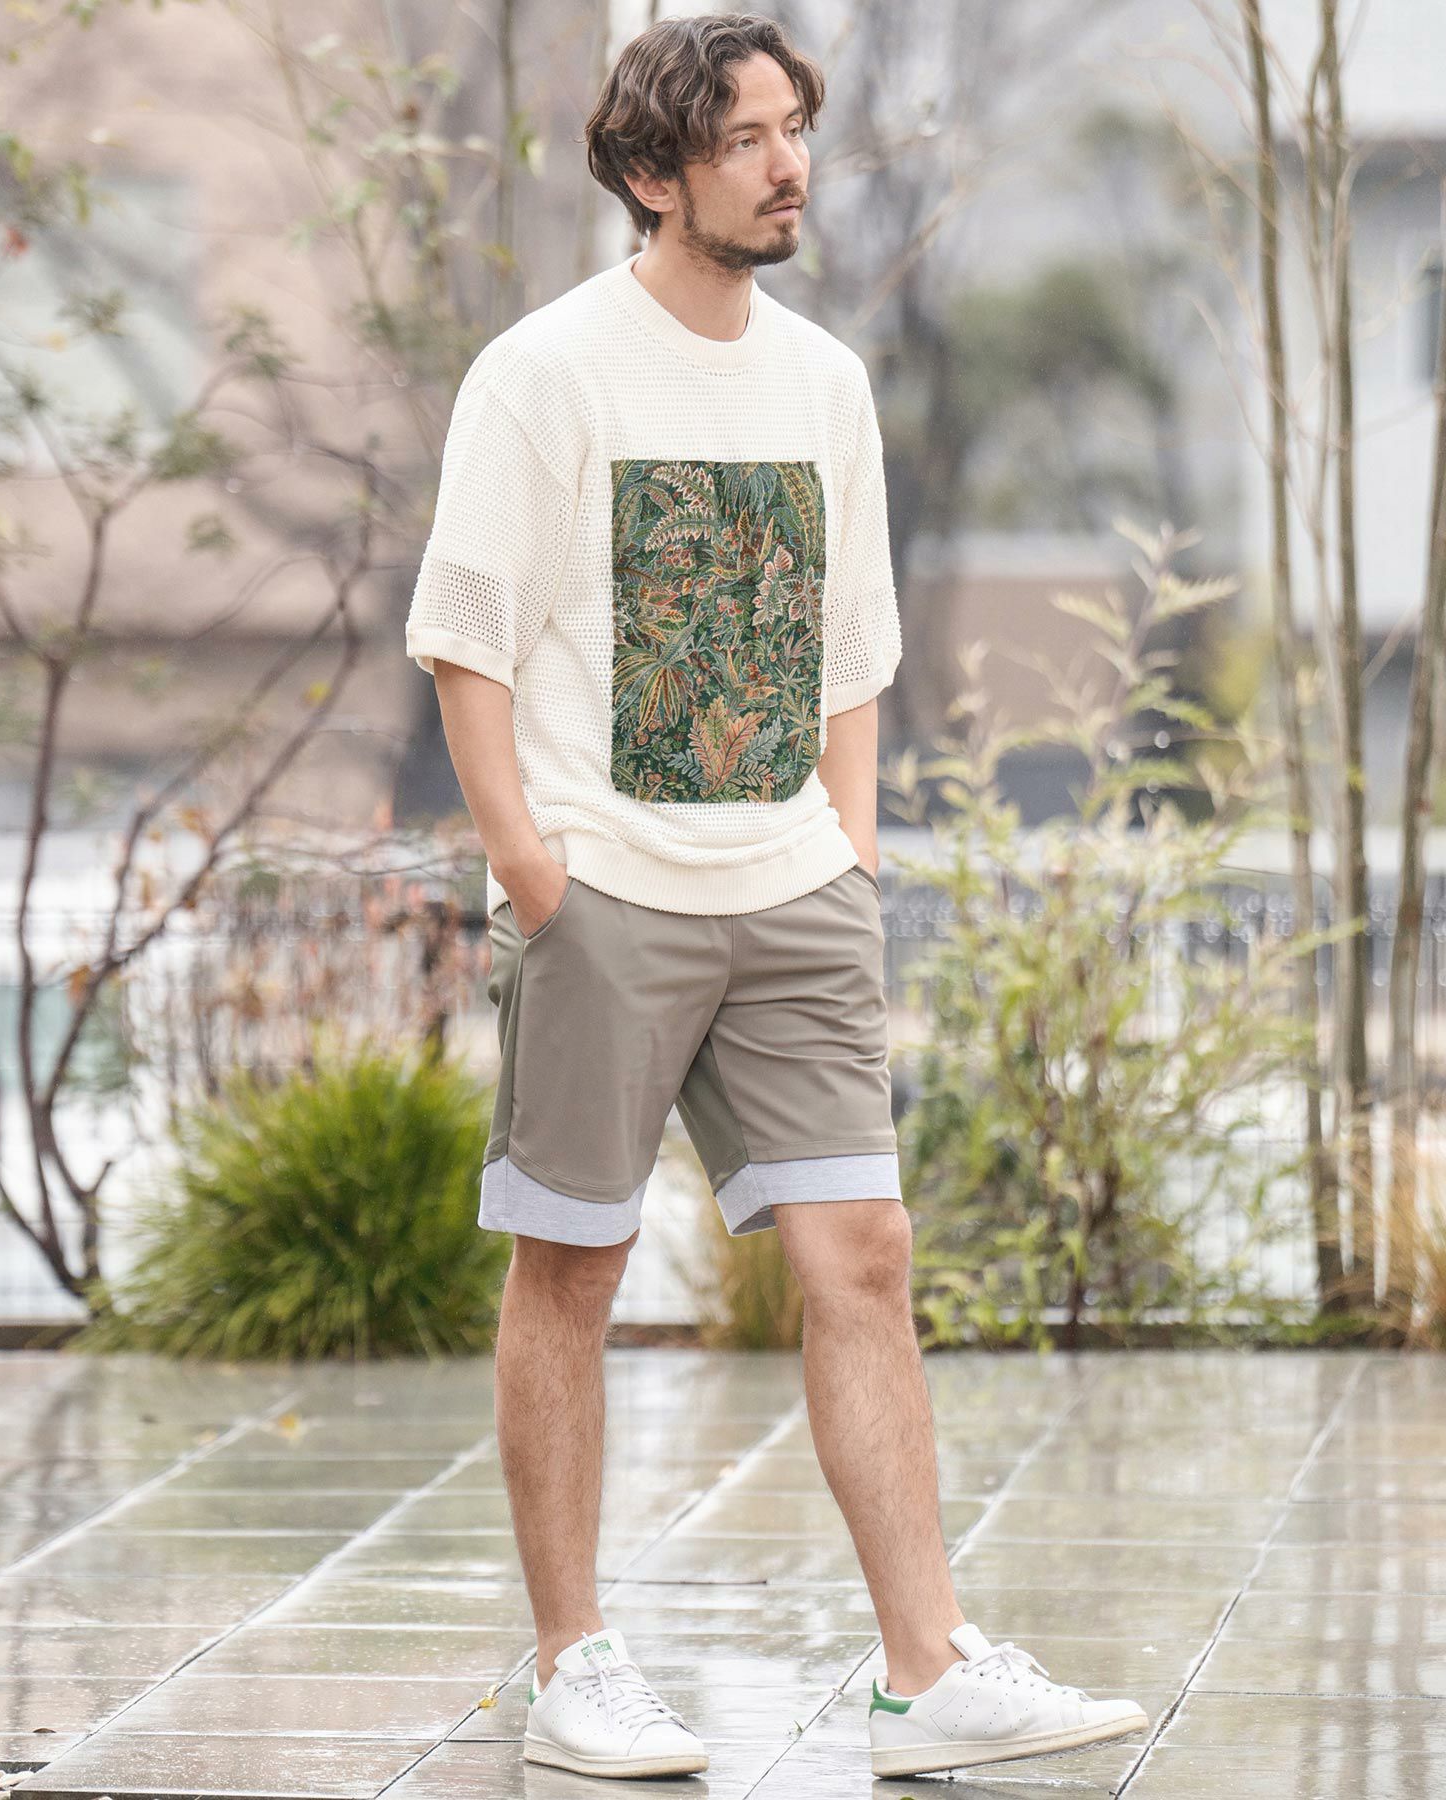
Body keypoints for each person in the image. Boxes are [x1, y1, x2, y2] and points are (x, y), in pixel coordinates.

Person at [405, 10, 1147, 1783]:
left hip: (794, 886)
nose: (788, 165)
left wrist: (852, 852)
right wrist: (533, 869)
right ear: (654, 173)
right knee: (572, 1268)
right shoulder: (545, 372)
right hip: (606, 891)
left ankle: (925, 1669)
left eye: (795, 130)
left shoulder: (824, 381)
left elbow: (852, 647)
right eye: (744, 139)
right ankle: (576, 1664)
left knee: (864, 1256)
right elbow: (466, 639)